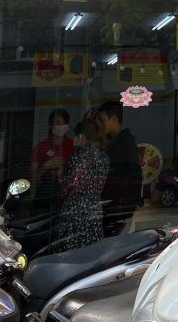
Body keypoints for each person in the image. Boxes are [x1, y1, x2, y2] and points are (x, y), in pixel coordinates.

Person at [54, 118, 109, 251]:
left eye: (75, 136)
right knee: (92, 253)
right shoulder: (104, 158)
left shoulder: (77, 159)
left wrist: (60, 176)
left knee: (72, 253)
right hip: (94, 210)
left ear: (81, 137)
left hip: (75, 212)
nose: (73, 140)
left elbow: (66, 188)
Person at [94, 100, 142, 214]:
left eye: (102, 120)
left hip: (119, 206)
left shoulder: (124, 143)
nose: (99, 125)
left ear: (114, 120)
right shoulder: (114, 142)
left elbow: (129, 176)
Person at [31, 109, 74, 213]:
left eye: (64, 123)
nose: (61, 127)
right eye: (58, 123)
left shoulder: (73, 146)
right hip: (45, 196)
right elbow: (32, 180)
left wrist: (64, 172)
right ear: (50, 125)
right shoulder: (40, 148)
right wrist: (45, 167)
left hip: (68, 195)